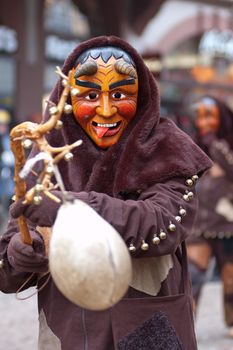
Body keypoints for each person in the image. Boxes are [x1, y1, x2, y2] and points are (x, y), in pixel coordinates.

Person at [0, 36, 211, 350]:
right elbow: (7, 272)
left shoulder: (168, 151)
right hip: (67, 335)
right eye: (89, 95)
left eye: (120, 93)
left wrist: (70, 207)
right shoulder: (44, 159)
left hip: (149, 331)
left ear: (141, 97)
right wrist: (21, 252)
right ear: (67, 98)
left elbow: (163, 224)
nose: (106, 109)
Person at [187, 96, 233, 336]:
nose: (203, 121)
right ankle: (185, 324)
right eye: (200, 116)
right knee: (192, 275)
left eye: (209, 115)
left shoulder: (226, 144)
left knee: (230, 279)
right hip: (198, 225)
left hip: (228, 224)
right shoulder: (190, 145)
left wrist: (215, 144)